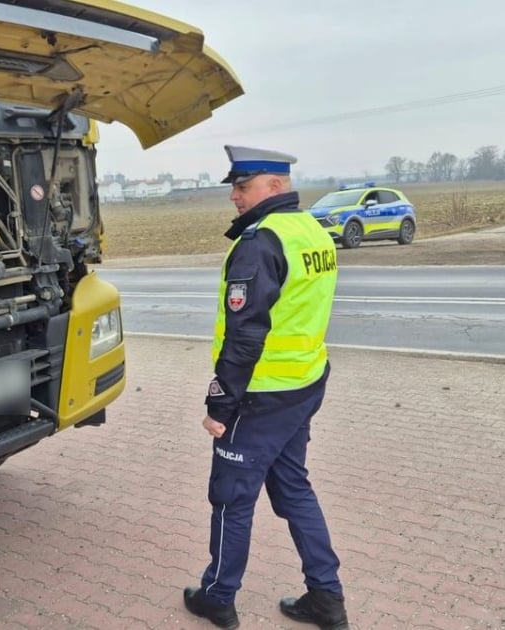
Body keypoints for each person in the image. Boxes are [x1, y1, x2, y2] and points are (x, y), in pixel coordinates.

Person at [183, 146, 349, 630]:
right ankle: (327, 598)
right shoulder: (312, 231)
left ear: (275, 186)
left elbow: (245, 334)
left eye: (243, 185)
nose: (234, 196)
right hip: (304, 384)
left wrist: (220, 404)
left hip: (260, 395)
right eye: (233, 187)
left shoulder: (260, 242)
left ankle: (218, 597)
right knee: (293, 487)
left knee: (232, 498)